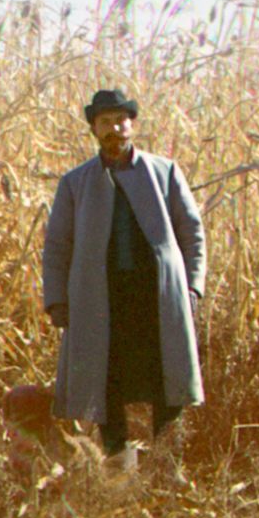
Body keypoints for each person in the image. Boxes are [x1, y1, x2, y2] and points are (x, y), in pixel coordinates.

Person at [42, 88, 205, 464]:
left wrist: (192, 286)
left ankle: (167, 464)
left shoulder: (165, 172)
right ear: (94, 130)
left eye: (120, 120)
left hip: (157, 294)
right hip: (100, 296)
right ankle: (117, 465)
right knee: (107, 377)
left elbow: (192, 233)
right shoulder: (75, 183)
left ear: (132, 124)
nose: (115, 128)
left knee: (167, 375)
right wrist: (57, 300)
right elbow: (57, 246)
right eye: (105, 122)